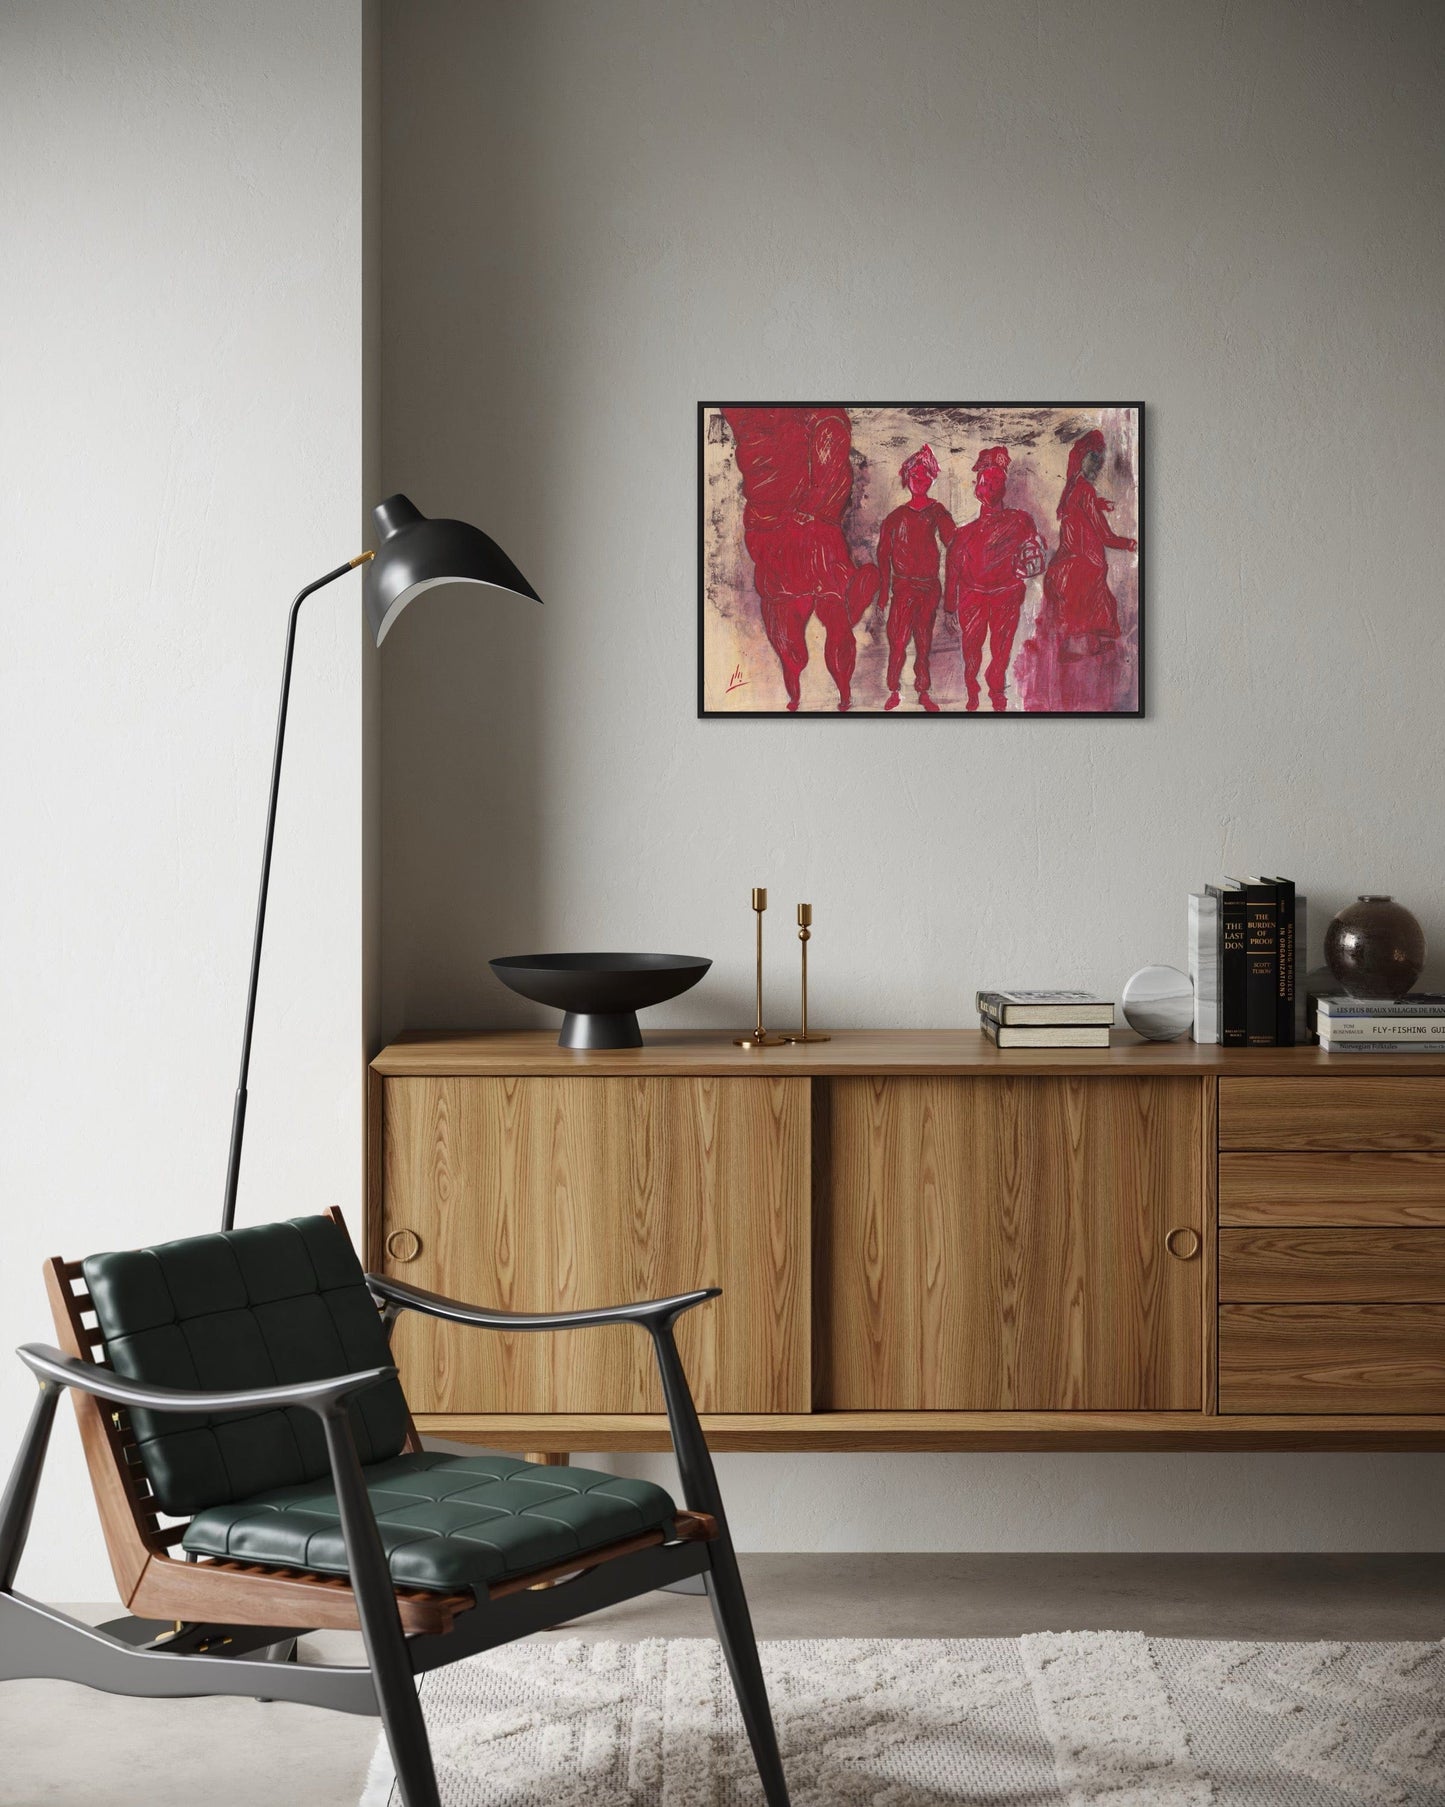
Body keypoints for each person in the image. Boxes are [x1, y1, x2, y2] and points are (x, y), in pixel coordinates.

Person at [721, 408, 879, 712]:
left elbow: (831, 446)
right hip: (782, 530)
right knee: (794, 630)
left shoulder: (812, 416)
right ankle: (803, 695)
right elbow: (831, 448)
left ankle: (837, 693)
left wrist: (815, 504)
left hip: (801, 529)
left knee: (823, 618)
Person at [1017, 429, 1138, 711]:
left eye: (1100, 460)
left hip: (1069, 567)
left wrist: (1097, 504)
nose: (1097, 465)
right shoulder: (1083, 490)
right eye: (1093, 459)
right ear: (1082, 458)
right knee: (1093, 628)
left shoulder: (1073, 488)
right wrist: (1131, 542)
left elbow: (1077, 509)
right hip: (1086, 569)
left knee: (1080, 633)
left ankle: (1074, 664)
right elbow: (1105, 536)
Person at [943, 446, 1045, 711]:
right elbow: (952, 569)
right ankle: (972, 688)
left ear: (1005, 485)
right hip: (972, 596)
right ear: (977, 487)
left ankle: (996, 688)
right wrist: (949, 608)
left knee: (1001, 650)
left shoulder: (1021, 521)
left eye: (997, 480)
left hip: (1006, 595)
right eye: (985, 481)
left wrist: (1034, 553)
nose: (990, 486)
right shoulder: (963, 534)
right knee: (972, 649)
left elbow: (1034, 556)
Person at [876, 444, 954, 712]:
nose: (919, 480)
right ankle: (894, 690)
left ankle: (923, 692)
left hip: (928, 588)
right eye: (914, 475)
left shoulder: (938, 512)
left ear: (932, 478)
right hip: (903, 589)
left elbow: (953, 544)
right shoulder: (895, 518)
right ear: (906, 478)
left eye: (924, 475)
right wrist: (882, 597)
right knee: (897, 642)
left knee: (923, 641)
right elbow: (883, 558)